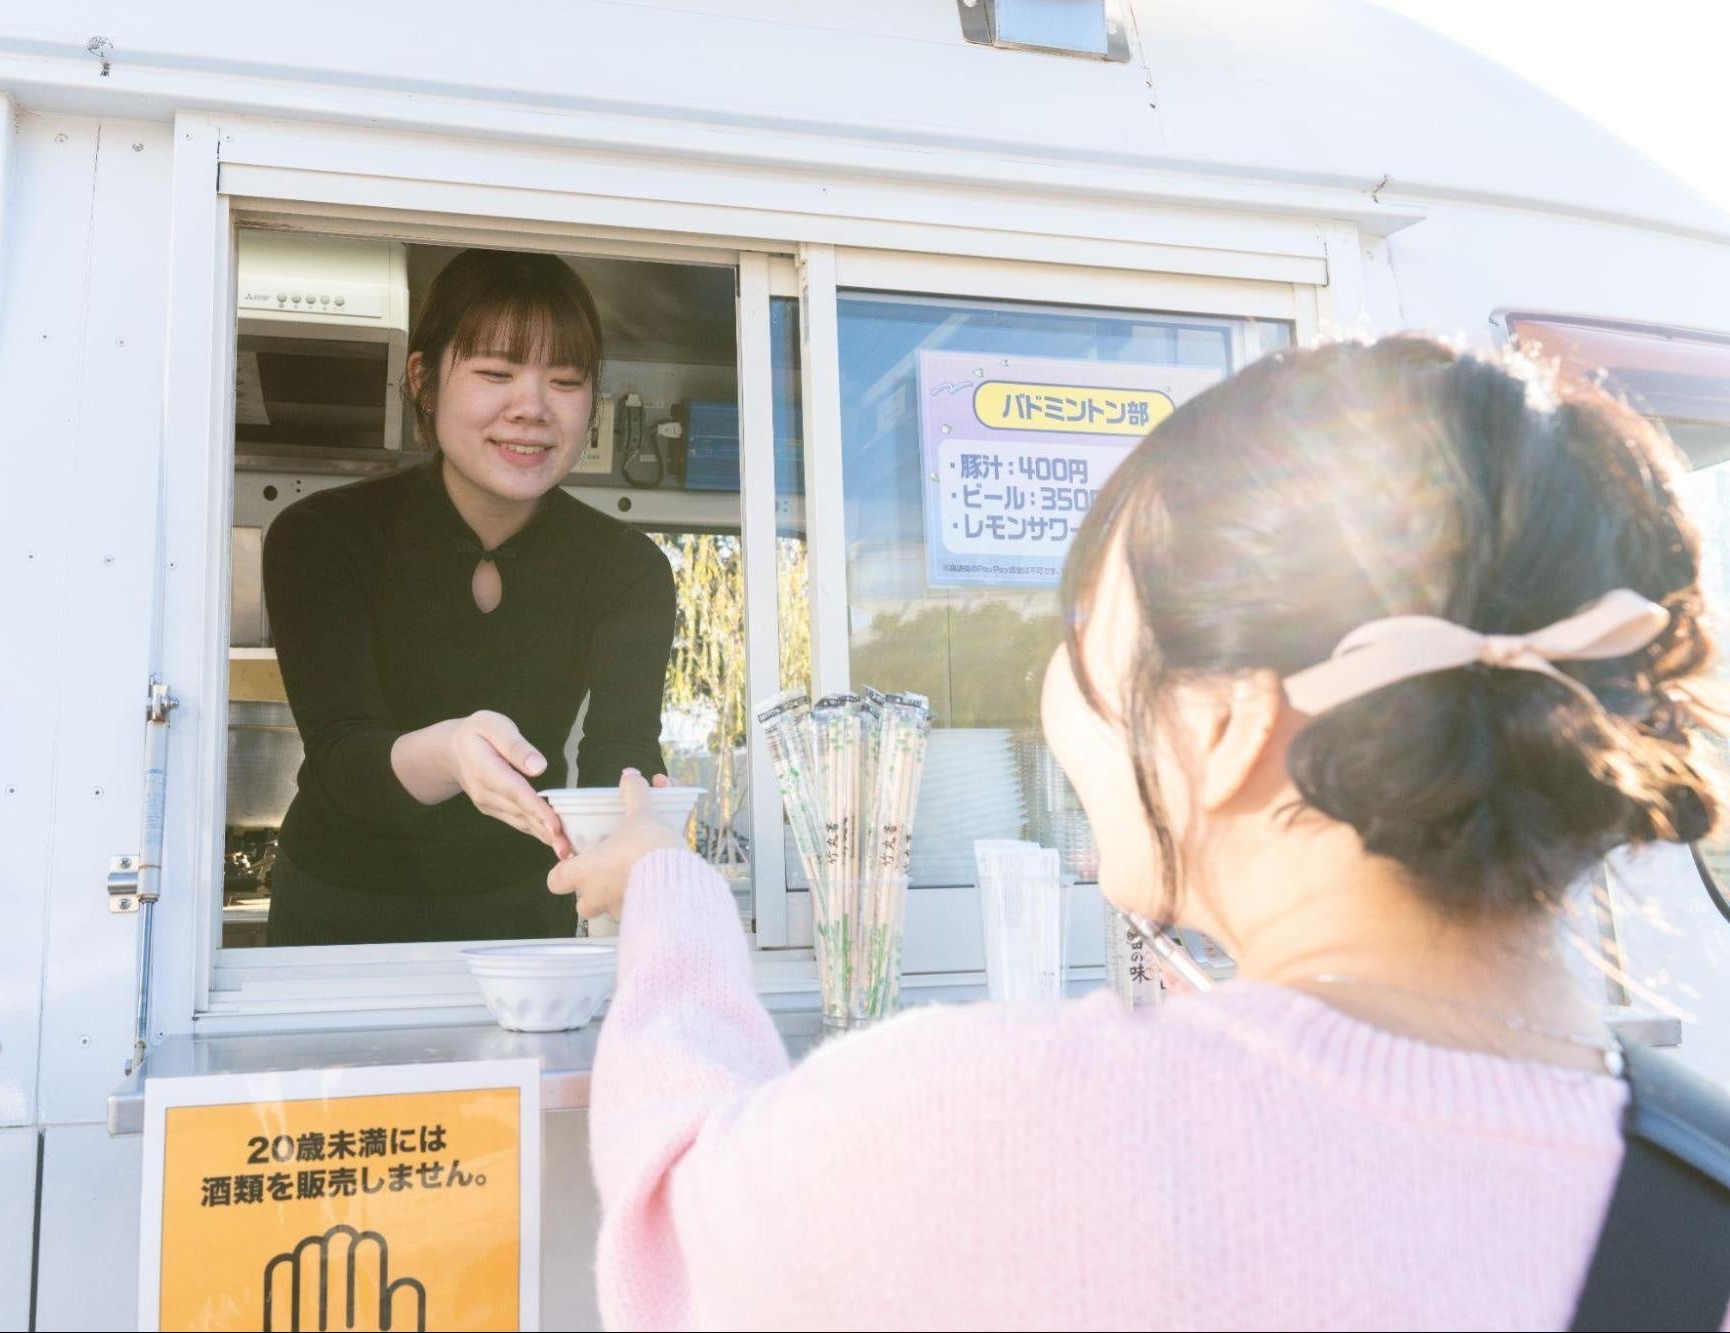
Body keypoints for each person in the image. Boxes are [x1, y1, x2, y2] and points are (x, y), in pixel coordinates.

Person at [550, 336, 1730, 1329]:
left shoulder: (985, 1124)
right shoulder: (1697, 1193)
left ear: (1221, 727)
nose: (1053, 690)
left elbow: (671, 1217)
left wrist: (667, 887)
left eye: (1078, 636)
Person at [262, 248, 675, 945]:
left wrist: (641, 821)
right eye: (495, 373)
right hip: (337, 909)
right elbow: (343, 759)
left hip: (526, 907)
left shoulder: (626, 569)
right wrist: (452, 751)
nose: (532, 408)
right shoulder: (323, 537)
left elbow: (621, 749)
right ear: (423, 380)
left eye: (565, 381)